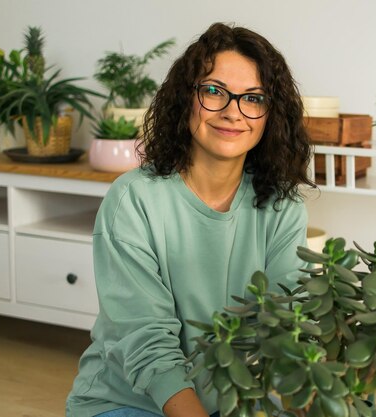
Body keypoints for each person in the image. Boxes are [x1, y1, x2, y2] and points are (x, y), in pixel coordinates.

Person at [66, 22, 315, 417]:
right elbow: (147, 344)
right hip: (130, 400)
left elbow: (288, 327)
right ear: (186, 99)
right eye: (214, 91)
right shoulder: (134, 198)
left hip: (234, 402)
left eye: (253, 98)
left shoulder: (283, 207)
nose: (233, 112)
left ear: (271, 114)